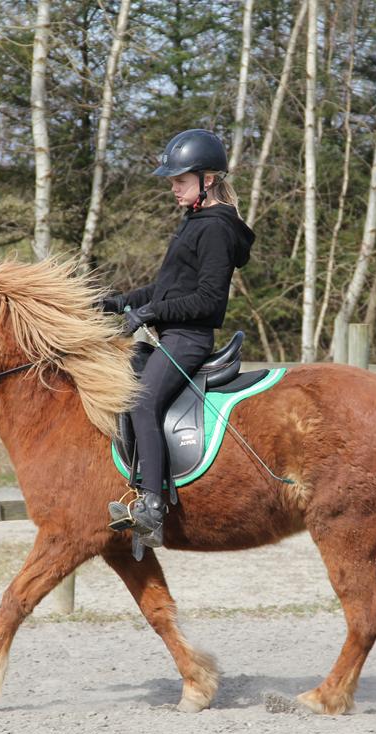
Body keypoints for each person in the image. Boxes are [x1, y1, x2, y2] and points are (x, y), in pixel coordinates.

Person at [100, 128, 255, 547]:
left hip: (188, 340)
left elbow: (207, 301)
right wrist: (118, 302)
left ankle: (152, 506)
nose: (173, 188)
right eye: (172, 181)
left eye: (180, 181)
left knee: (142, 400)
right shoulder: (195, 223)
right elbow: (167, 289)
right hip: (169, 334)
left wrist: (151, 312)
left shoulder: (217, 229)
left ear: (207, 180)